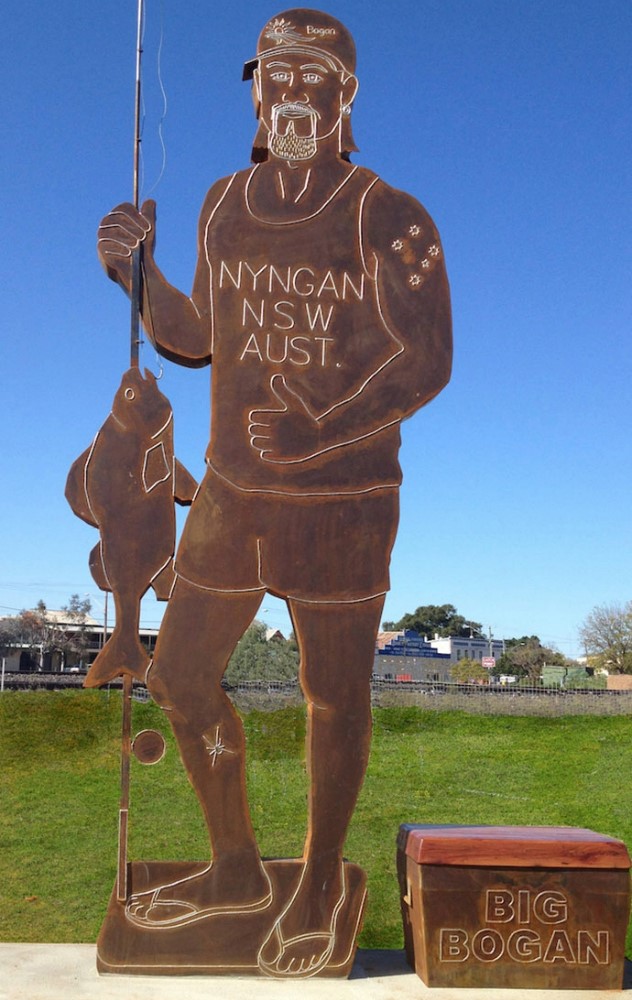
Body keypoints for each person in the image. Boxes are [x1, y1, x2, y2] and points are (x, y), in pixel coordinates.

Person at [97, 8, 452, 978]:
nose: (290, 96)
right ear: (255, 93)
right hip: (230, 493)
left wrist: (319, 427)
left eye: (313, 80)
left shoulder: (388, 212)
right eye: (275, 79)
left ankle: (318, 880)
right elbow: (197, 333)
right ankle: (237, 866)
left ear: (344, 97)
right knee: (175, 677)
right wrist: (137, 277)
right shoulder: (223, 200)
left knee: (331, 695)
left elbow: (426, 359)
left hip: (342, 498)